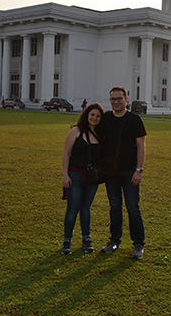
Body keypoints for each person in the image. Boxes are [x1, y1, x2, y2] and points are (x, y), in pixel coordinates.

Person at [100, 86, 147, 259]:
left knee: (133, 208)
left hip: (130, 171)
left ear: (126, 99)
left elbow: (141, 146)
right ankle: (114, 241)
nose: (116, 102)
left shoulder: (134, 120)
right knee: (114, 207)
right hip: (111, 172)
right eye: (112, 99)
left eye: (119, 98)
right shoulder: (106, 118)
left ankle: (139, 244)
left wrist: (139, 170)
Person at [61, 103, 104, 255]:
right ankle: (67, 240)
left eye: (98, 116)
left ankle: (86, 239)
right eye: (92, 115)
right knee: (73, 208)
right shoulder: (76, 131)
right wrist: (65, 175)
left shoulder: (100, 135)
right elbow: (67, 153)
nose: (95, 118)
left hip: (92, 177)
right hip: (75, 175)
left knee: (86, 208)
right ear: (86, 115)